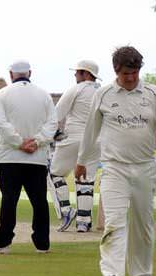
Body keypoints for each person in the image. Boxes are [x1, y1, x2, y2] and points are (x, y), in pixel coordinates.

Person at [75, 46, 156, 276]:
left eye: (135, 73)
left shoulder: (153, 93)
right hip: (114, 169)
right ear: (116, 71)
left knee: (143, 226)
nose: (131, 78)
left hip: (145, 168)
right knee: (114, 223)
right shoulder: (103, 94)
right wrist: (82, 162)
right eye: (126, 74)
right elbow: (90, 132)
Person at [0, 59, 57, 254]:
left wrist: (19, 143)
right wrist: (36, 142)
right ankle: (42, 245)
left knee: (9, 200)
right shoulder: (44, 95)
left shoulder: (2, 94)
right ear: (30, 72)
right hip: (36, 158)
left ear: (11, 74)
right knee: (39, 202)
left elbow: (1, 124)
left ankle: (3, 244)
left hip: (9, 157)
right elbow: (52, 124)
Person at [50, 60, 101, 233]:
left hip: (73, 137)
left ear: (86, 74)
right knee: (86, 179)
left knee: (54, 174)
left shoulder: (76, 89)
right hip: (95, 141)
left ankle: (66, 210)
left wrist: (54, 133)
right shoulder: (103, 91)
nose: (74, 75)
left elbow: (56, 114)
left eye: (77, 72)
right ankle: (83, 222)